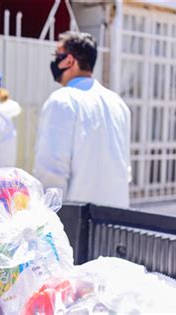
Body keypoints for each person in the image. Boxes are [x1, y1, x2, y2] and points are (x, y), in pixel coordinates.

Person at [33, 31, 131, 208]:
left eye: (57, 55)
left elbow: (51, 171)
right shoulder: (118, 103)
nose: (55, 61)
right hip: (115, 218)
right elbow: (125, 169)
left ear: (69, 60)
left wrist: (47, 221)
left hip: (76, 219)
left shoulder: (62, 100)